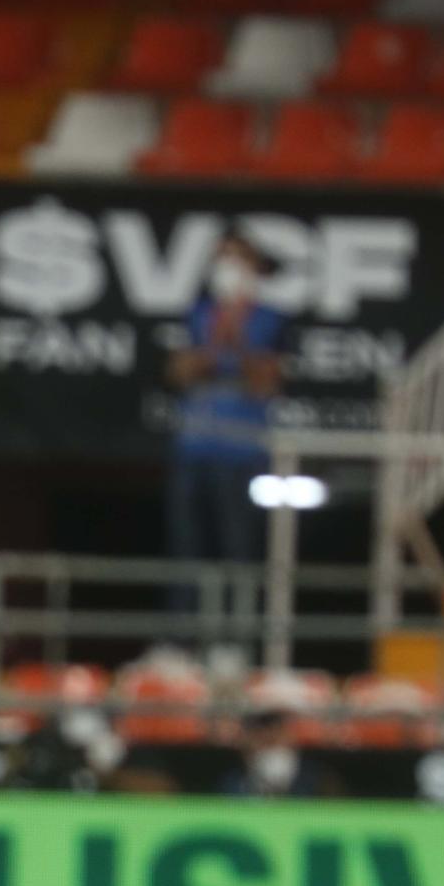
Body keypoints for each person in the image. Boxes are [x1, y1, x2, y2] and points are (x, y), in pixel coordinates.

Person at [164, 231, 285, 616]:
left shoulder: (270, 319)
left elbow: (266, 381)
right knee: (186, 546)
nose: (228, 268)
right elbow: (179, 372)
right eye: (222, 259)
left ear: (254, 269)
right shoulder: (199, 314)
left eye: (237, 259)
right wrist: (217, 340)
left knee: (239, 548)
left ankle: (237, 638)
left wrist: (240, 337)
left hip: (243, 452)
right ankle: (182, 639)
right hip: (195, 446)